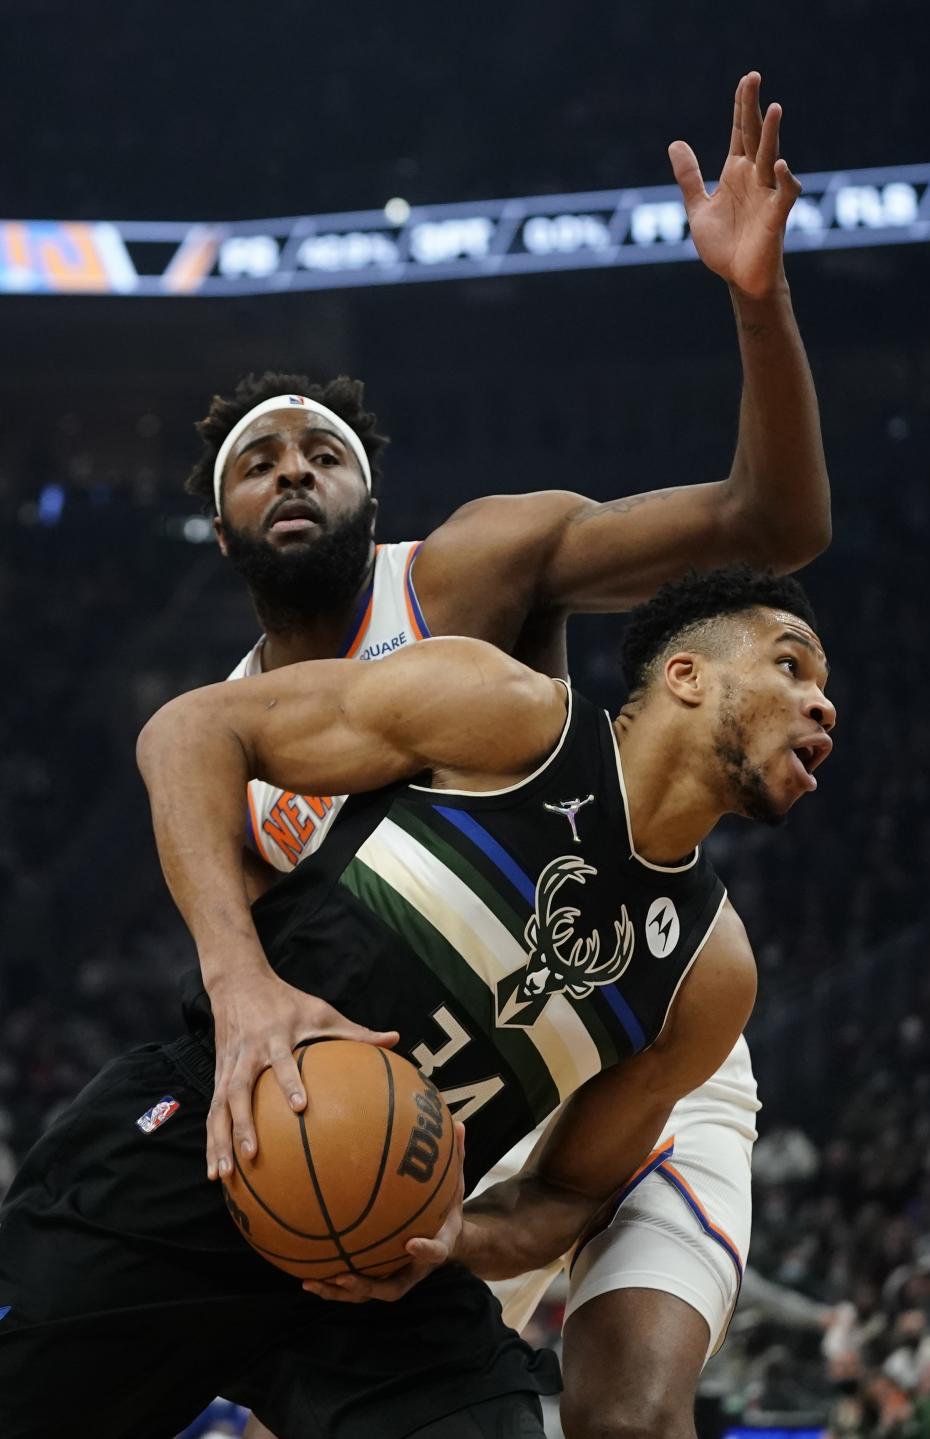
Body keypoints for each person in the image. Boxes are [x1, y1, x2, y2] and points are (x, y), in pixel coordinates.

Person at [189, 72, 829, 1438]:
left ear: (374, 490)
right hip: (447, 1118)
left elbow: (767, 523)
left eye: (323, 450)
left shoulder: (471, 571)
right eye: (259, 461)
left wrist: (757, 302)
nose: (293, 472)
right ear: (219, 518)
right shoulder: (233, 748)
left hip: (636, 1041)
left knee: (628, 1416)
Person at [0, 565, 835, 1438]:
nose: (823, 706)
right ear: (687, 676)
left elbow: (561, 1195)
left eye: (823, 689)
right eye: (792, 666)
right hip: (204, 1143)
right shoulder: (510, 717)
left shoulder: (711, 972)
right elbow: (190, 732)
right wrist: (241, 981)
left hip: (376, 1268)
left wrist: (456, 1235)